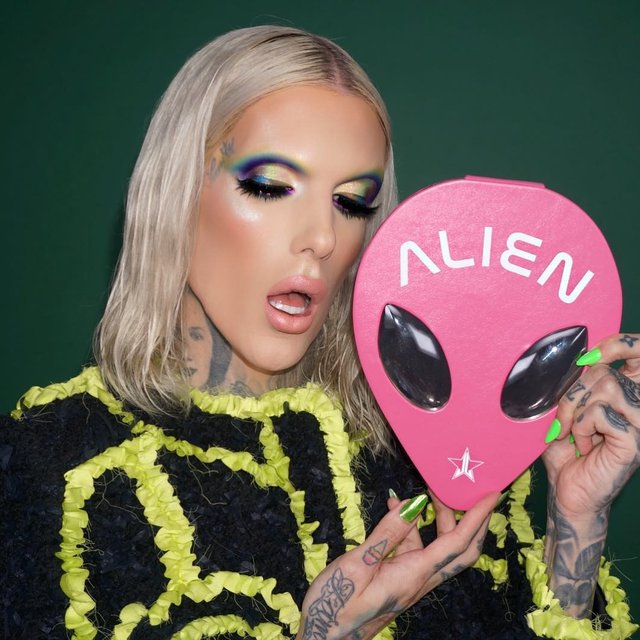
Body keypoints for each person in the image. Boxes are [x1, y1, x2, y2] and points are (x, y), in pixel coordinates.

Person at [1, 25, 638, 640]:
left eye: (352, 201)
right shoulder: (49, 465)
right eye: (270, 187)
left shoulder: (427, 455)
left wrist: (576, 518)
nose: (323, 239)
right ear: (177, 193)